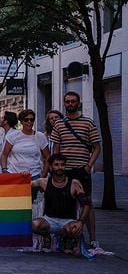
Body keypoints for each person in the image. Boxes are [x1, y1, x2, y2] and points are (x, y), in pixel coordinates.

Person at [51, 91, 102, 250]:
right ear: (64, 104)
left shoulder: (88, 122)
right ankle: (68, 237)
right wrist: (56, 168)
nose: (70, 104)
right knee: (65, 204)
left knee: (87, 203)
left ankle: (93, 239)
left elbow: (97, 147)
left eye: (73, 101)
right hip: (64, 171)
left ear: (78, 103)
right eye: (67, 102)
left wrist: (89, 166)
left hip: (82, 170)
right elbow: (56, 149)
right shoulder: (59, 124)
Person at [31, 154, 91, 252]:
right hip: (49, 220)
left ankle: (67, 239)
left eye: (62, 165)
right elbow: (24, 185)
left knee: (75, 230)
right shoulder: (43, 182)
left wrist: (81, 221)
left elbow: (87, 204)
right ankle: (47, 237)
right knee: (33, 225)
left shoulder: (74, 184)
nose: (60, 167)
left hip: (68, 222)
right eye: (56, 165)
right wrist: (23, 175)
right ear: (50, 167)